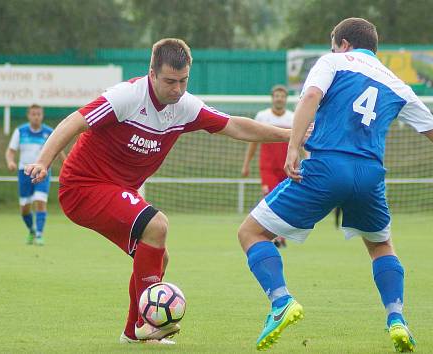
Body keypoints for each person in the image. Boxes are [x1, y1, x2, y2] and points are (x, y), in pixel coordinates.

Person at [237, 18, 433, 352]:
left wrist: (293, 147)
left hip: (325, 167)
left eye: (333, 43)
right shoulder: (398, 85)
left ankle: (281, 302)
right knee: (381, 246)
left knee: (250, 233)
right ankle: (397, 319)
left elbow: (310, 95)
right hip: (369, 175)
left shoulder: (332, 62)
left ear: (343, 43)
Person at [24, 38, 292, 345]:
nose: (177, 90)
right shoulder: (126, 96)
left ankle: (133, 333)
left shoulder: (185, 106)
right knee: (157, 225)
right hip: (83, 187)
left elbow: (235, 126)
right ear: (152, 73)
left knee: (157, 259)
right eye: (169, 81)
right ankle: (146, 323)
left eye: (183, 81)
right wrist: (43, 162)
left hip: (119, 190)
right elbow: (74, 121)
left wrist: (290, 134)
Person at [241, 84, 294, 248]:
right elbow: (253, 142)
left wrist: (307, 160)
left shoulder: (293, 117)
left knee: (286, 201)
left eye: (282, 96)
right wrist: (246, 164)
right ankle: (274, 236)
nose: (279, 98)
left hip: (287, 166)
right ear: (272, 98)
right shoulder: (262, 117)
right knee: (271, 199)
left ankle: (280, 235)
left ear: (286, 99)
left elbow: (298, 142)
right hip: (268, 167)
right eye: (277, 96)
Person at [5, 104, 65, 245]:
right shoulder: (20, 131)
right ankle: (31, 230)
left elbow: (59, 151)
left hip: (42, 171)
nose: (36, 116)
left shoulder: (49, 132)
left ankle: (39, 234)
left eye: (38, 114)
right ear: (29, 115)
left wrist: (67, 166)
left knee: (40, 200)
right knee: (24, 207)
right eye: (33, 114)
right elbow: (10, 151)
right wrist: (10, 162)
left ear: (42, 115)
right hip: (24, 172)